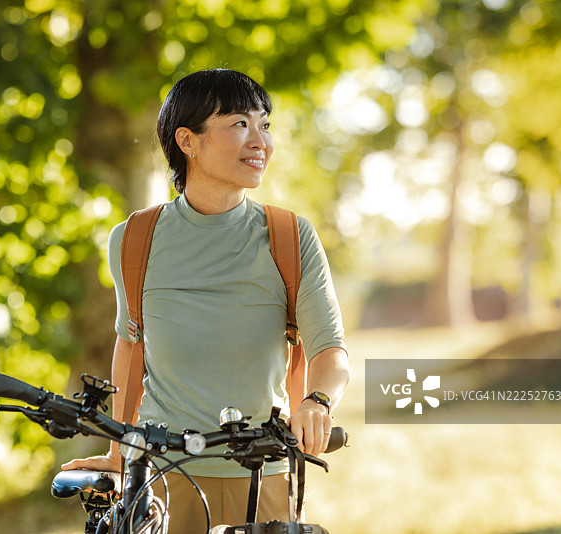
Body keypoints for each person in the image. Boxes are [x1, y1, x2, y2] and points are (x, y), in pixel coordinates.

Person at [62, 68, 349, 529]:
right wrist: (119, 454)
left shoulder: (289, 237)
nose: (261, 142)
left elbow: (330, 349)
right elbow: (132, 345)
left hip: (260, 470)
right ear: (187, 141)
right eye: (239, 124)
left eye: (265, 125)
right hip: (159, 473)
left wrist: (317, 401)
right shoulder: (134, 239)